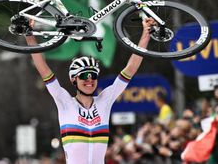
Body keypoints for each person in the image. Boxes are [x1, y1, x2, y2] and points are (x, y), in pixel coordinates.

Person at [25, 18, 155, 164]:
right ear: (74, 80)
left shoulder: (104, 101)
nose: (89, 80)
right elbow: (43, 69)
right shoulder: (65, 102)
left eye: (93, 75)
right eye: (84, 76)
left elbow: (130, 69)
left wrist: (146, 33)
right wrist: (29, 36)